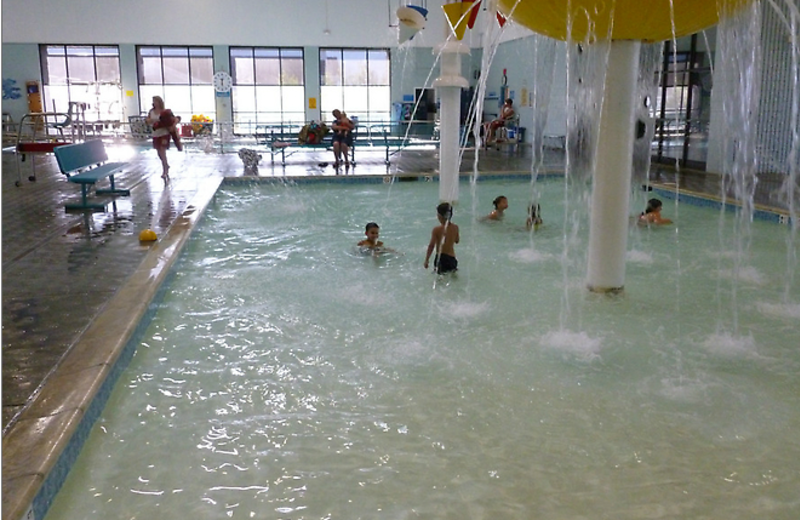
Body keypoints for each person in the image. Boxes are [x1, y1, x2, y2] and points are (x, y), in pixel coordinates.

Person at [146, 96, 181, 180]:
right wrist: (151, 121)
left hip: (164, 133)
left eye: (155, 101)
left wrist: (172, 125)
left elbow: (175, 119)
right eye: (153, 101)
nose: (154, 103)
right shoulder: (151, 111)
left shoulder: (165, 112)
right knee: (159, 152)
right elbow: (147, 120)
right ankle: (165, 164)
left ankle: (165, 169)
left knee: (162, 150)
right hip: (155, 133)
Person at [424, 202, 460, 274]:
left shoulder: (437, 229)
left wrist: (427, 260)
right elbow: (457, 240)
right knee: (452, 276)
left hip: (441, 258)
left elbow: (431, 246)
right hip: (452, 259)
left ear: (440, 216)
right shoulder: (455, 227)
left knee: (439, 279)